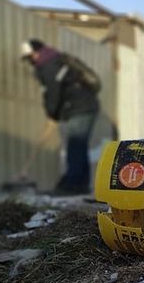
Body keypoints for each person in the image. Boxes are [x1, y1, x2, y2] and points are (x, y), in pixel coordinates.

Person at [21, 39, 100, 195]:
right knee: (79, 146)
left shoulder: (48, 64)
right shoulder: (55, 59)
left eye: (30, 57)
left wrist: (52, 113)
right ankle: (80, 185)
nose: (30, 61)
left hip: (80, 107)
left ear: (36, 53)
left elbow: (53, 93)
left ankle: (72, 185)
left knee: (75, 145)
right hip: (83, 106)